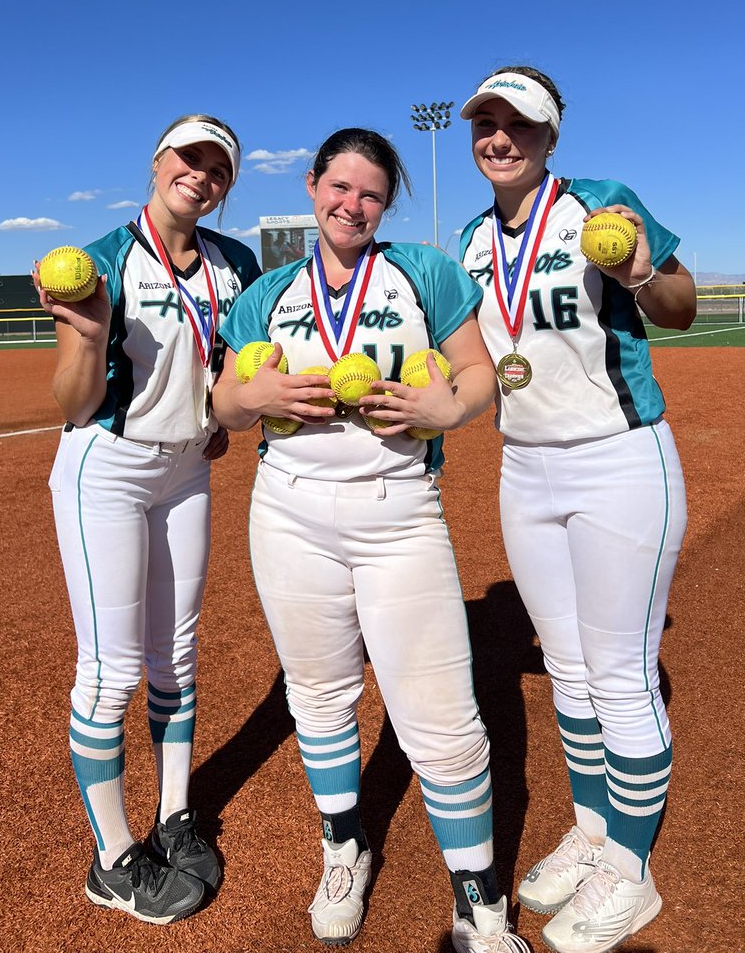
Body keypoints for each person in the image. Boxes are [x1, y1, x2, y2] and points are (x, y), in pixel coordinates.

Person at [212, 128, 531, 953]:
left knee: (441, 716)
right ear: (314, 185)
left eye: (372, 194)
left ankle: (478, 897)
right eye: (339, 187)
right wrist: (258, 395)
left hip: (397, 508)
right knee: (318, 696)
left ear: (386, 204)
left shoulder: (423, 273)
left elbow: (477, 376)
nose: (352, 205)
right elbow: (222, 406)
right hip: (287, 509)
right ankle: (343, 845)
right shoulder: (267, 294)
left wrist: (445, 411)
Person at [458, 68, 696, 953]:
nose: (499, 137)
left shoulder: (601, 204)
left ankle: (630, 875)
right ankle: (596, 835)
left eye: (518, 123)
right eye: (486, 121)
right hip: (527, 470)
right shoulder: (471, 241)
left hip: (619, 461)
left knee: (622, 675)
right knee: (568, 668)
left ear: (551, 136)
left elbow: (680, 308)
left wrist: (641, 271)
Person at [35, 113, 260, 925]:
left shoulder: (234, 262)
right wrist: (88, 340)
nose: (200, 176)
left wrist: (214, 415)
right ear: (158, 162)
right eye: (189, 159)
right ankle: (112, 857)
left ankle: (172, 816)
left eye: (217, 169)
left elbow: (233, 364)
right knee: (109, 669)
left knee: (177, 653)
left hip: (188, 469)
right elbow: (73, 404)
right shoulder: (100, 259)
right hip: (111, 468)